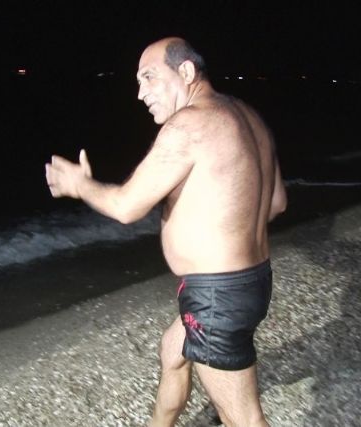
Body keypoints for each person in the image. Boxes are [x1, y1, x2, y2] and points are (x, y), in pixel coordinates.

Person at [45, 37, 287, 427]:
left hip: (217, 296)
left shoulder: (188, 125)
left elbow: (126, 206)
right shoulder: (249, 117)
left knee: (242, 417)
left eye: (149, 77)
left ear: (186, 72)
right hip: (252, 282)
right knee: (173, 352)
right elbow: (276, 203)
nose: (140, 94)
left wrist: (80, 185)